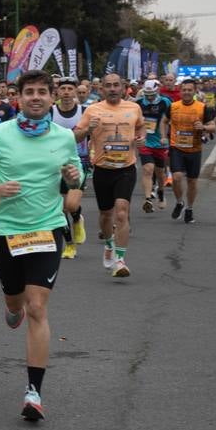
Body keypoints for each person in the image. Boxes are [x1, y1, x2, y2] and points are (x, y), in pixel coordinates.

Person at [0, 70, 83, 422]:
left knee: (37, 307)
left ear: (52, 96)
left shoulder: (64, 137)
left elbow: (75, 174)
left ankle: (34, 391)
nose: (36, 97)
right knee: (15, 302)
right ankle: (10, 306)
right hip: (7, 230)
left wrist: (74, 179)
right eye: (30, 92)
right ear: (19, 97)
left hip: (47, 229)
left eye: (43, 92)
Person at [74, 73, 145, 278]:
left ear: (123, 88)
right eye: (108, 86)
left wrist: (141, 138)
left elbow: (140, 126)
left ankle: (120, 260)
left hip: (126, 168)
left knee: (121, 212)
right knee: (106, 215)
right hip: (103, 170)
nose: (113, 89)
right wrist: (88, 129)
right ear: (101, 89)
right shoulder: (92, 110)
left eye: (116, 85)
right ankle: (109, 243)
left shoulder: (134, 108)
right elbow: (76, 135)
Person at [167, 79, 216, 224]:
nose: (187, 92)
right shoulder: (173, 106)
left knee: (192, 182)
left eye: (190, 90)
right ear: (180, 91)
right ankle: (179, 202)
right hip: (176, 147)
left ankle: (189, 208)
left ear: (194, 91)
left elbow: (213, 126)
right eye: (184, 90)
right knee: (176, 177)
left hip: (194, 149)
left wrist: (204, 127)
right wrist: (164, 137)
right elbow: (164, 121)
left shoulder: (202, 107)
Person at [49, 78, 89, 258]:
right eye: (62, 88)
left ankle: (77, 218)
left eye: (69, 89)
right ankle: (70, 244)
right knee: (59, 207)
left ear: (76, 92)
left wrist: (94, 150)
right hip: (54, 162)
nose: (66, 92)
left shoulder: (84, 111)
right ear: (57, 92)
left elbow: (93, 133)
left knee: (71, 205)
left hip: (79, 161)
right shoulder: (50, 111)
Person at [134, 80, 172, 214]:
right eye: (147, 94)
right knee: (148, 169)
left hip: (160, 142)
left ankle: (160, 191)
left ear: (157, 91)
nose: (149, 97)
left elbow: (170, 119)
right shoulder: (138, 103)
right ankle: (148, 198)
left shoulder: (165, 102)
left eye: (151, 94)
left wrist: (166, 136)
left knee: (160, 172)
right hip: (145, 141)